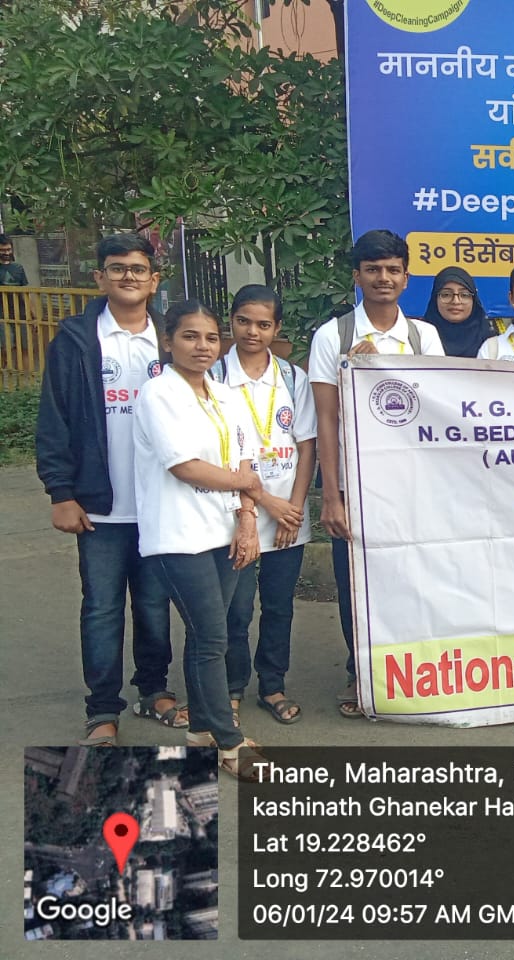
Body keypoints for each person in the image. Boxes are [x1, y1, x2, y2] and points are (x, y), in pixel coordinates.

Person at [35, 233, 183, 746]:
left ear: (154, 280)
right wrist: (61, 492)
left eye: (137, 269)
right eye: (116, 268)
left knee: (154, 605)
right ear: (100, 277)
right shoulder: (76, 340)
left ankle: (154, 690)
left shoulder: (170, 339)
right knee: (101, 608)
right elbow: (54, 419)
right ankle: (101, 710)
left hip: (160, 503)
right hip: (99, 506)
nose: (127, 277)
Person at [309, 230, 445, 718]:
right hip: (357, 486)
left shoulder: (423, 337)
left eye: (392, 269)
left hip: (411, 484)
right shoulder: (333, 336)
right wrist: (332, 496)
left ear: (406, 278)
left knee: (413, 576)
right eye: (373, 269)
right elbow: (326, 420)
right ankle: (361, 673)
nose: (383, 278)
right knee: (357, 583)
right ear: (357, 276)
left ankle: (412, 671)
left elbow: (437, 411)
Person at [134, 300, 267, 779]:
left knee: (210, 634)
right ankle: (230, 743)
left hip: (224, 529)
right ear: (168, 341)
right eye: (190, 336)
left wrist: (248, 518)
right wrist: (246, 485)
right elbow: (184, 466)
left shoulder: (225, 395)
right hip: (178, 534)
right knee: (212, 636)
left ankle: (200, 733)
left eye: (211, 338)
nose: (202, 346)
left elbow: (246, 459)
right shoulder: (158, 393)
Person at [212, 285, 314, 725]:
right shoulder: (213, 376)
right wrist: (264, 503)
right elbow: (217, 457)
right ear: (230, 322)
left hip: (287, 517)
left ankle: (272, 685)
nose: (252, 332)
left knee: (278, 606)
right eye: (243, 322)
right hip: (235, 514)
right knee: (235, 608)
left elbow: (307, 447)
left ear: (277, 328)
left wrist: (293, 507)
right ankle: (231, 687)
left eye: (263, 324)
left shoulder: (292, 378)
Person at [422, 266, 494, 358]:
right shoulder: (420, 337)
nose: (455, 301)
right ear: (435, 299)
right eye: (446, 294)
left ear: (474, 300)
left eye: (464, 295)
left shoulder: (491, 343)